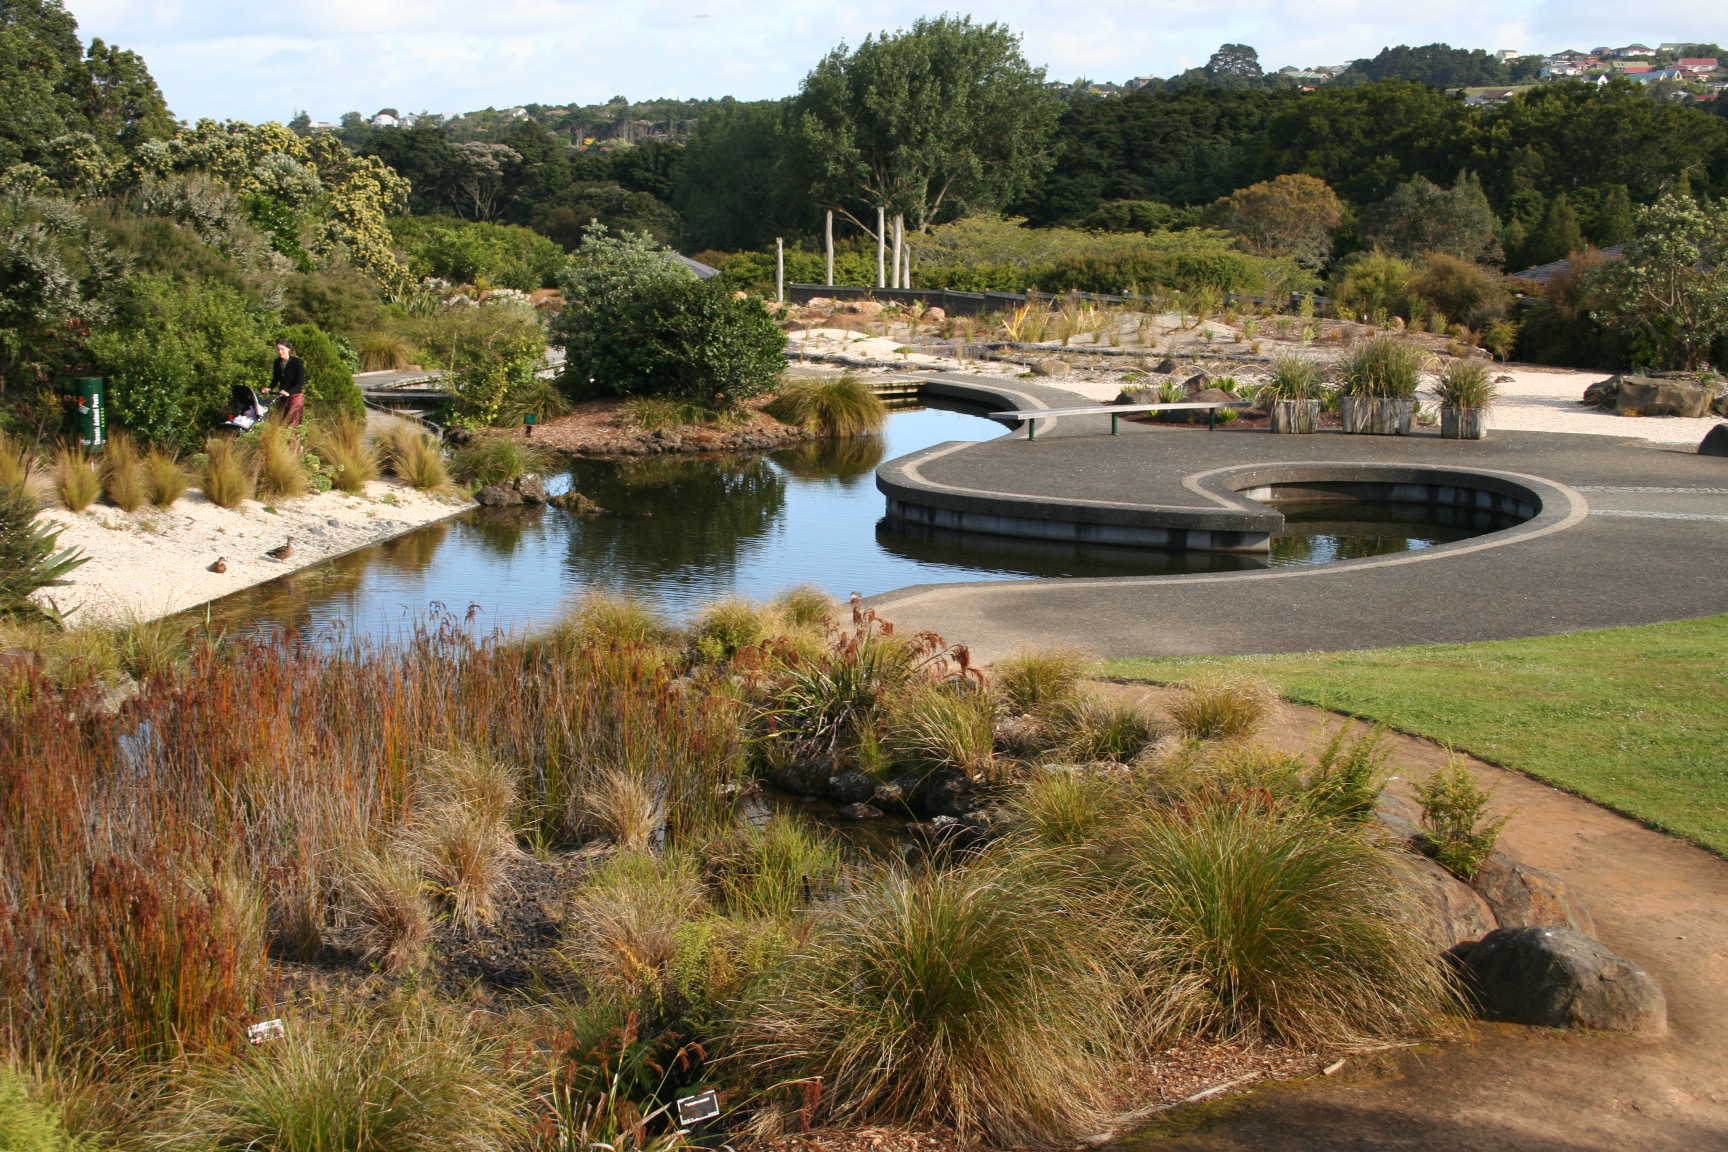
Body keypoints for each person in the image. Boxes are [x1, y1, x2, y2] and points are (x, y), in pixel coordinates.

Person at [271, 339, 306, 426]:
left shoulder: (296, 362)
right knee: (280, 422)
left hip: (295, 397)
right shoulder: (277, 362)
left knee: (293, 423)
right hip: (283, 396)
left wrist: (289, 393)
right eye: (278, 349)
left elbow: (300, 382)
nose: (280, 352)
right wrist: (269, 388)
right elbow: (275, 379)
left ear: (288, 349)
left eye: (282, 349)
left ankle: (294, 440)